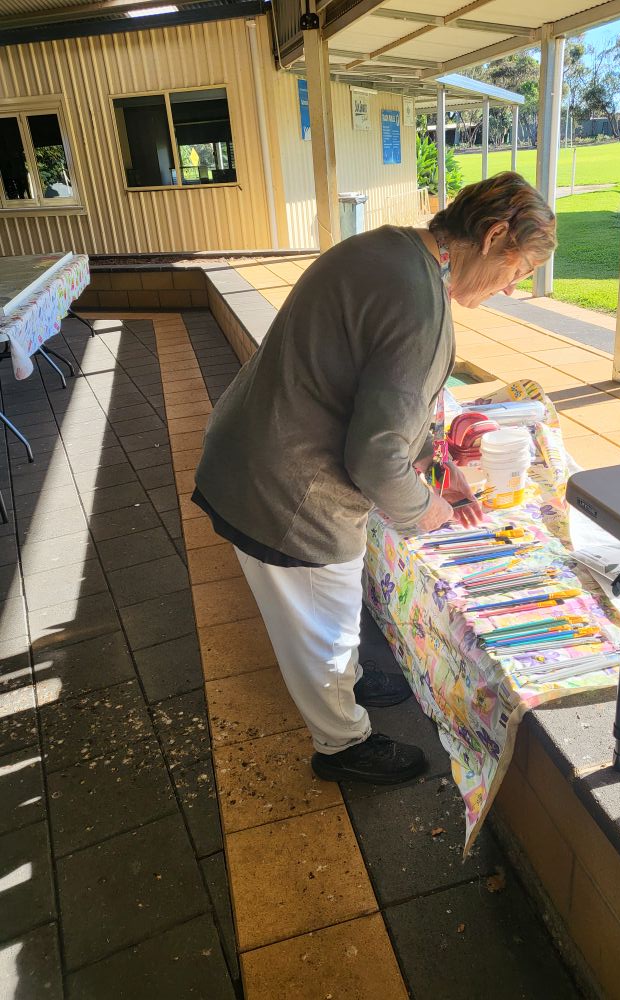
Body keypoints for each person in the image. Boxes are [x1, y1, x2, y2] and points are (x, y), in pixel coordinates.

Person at [193, 171, 556, 785]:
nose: (511, 288)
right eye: (517, 271)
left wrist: (434, 459)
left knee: (325, 623)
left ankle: (350, 680)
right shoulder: (421, 304)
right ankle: (342, 745)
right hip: (289, 491)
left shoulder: (389, 247)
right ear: (494, 236)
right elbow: (376, 458)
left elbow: (371, 388)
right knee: (322, 629)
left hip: (255, 451)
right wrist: (426, 508)